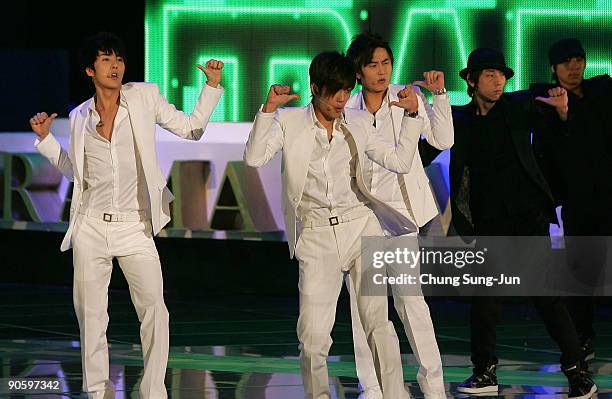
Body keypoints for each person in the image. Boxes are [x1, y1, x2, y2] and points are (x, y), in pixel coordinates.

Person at [29, 32, 224, 399]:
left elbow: (191, 129)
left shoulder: (144, 96)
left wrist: (211, 88)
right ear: (90, 69)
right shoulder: (78, 117)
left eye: (118, 58)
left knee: (155, 312)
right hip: (90, 226)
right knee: (91, 317)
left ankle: (153, 392)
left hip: (135, 225)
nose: (115, 65)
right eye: (105, 59)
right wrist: (46, 141)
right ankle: (97, 391)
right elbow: (77, 172)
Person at [244, 50, 424, 398]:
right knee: (312, 337)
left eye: (346, 90)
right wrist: (267, 111)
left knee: (379, 325)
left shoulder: (356, 122)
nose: (342, 98)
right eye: (334, 91)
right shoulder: (289, 121)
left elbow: (400, 161)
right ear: (315, 88)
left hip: (361, 229)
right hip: (315, 235)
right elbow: (254, 157)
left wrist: (414, 115)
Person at [419, 48, 596, 399]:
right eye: (489, 74)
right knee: (485, 301)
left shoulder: (517, 108)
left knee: (548, 300)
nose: (498, 81)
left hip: (528, 220)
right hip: (488, 223)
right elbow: (426, 151)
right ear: (470, 80)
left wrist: (561, 111)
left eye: (501, 74)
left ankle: (578, 374)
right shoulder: (461, 120)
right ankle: (484, 373)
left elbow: (547, 112)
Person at [343, 31, 453, 399]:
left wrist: (437, 96)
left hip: (401, 216)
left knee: (410, 300)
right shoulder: (348, 108)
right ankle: (371, 385)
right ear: (358, 71)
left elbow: (443, 140)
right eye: (372, 64)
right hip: (361, 216)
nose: (381, 71)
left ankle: (433, 382)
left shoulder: (408, 97)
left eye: (386, 62)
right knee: (365, 307)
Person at [532, 38, 612, 364]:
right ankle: (582, 339)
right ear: (554, 68)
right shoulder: (545, 102)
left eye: (578, 59)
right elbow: (549, 153)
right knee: (583, 273)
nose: (574, 66)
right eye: (566, 62)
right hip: (581, 201)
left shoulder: (602, 90)